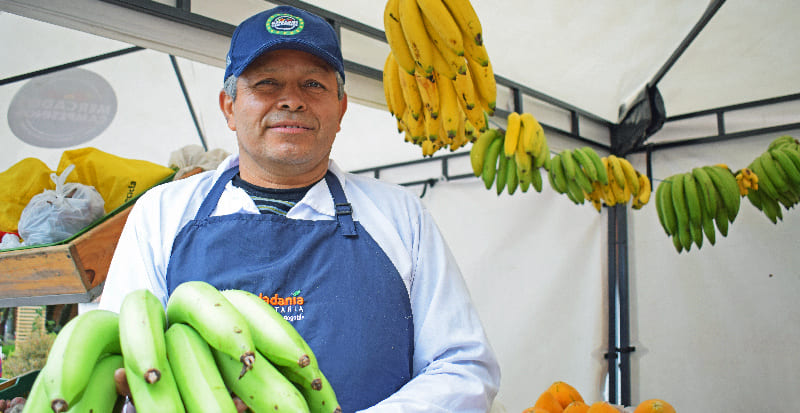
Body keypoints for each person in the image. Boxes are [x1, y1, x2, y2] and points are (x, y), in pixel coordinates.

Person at [99, 5, 500, 412]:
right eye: (267, 84)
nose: (291, 101)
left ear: (341, 108)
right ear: (228, 107)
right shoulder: (163, 214)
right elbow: (123, 355)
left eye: (313, 84)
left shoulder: (401, 216)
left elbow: (463, 365)